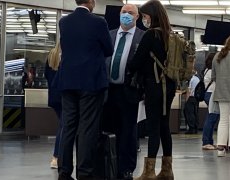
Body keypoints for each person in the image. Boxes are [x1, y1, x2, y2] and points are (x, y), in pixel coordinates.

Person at [56, 0, 113, 179]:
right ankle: (84, 172)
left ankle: (64, 171)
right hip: (91, 81)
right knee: (87, 128)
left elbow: (66, 47)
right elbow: (109, 49)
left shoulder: (64, 22)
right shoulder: (98, 22)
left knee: (68, 126)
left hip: (68, 81)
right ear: (91, 2)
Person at [128, 0, 176, 179]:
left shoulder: (150, 35)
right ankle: (167, 170)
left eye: (145, 16)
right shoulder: (170, 35)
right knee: (164, 126)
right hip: (169, 86)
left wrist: (130, 68)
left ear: (152, 16)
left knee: (153, 126)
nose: (144, 20)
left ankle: (149, 172)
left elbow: (137, 62)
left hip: (154, 85)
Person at [103, 4, 144, 180]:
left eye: (130, 13)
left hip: (129, 91)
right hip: (108, 90)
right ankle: (107, 166)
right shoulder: (109, 34)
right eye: (123, 12)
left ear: (137, 17)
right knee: (107, 129)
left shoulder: (142, 37)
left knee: (128, 132)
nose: (126, 15)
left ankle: (126, 169)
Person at [44, 42, 62, 169]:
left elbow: (46, 75)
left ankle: (58, 157)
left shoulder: (51, 55)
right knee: (63, 126)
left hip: (53, 96)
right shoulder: (66, 56)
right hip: (64, 96)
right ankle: (56, 157)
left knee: (63, 124)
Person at [201, 52, 220, 150]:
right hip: (212, 95)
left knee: (212, 118)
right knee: (211, 118)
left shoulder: (206, 70)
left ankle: (209, 141)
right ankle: (206, 141)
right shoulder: (212, 71)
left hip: (208, 94)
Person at [183, 69, 200, 134]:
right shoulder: (197, 79)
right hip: (196, 98)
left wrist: (186, 100)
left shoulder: (191, 79)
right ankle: (195, 128)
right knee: (195, 113)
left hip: (191, 97)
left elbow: (189, 91)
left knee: (189, 113)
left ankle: (191, 128)